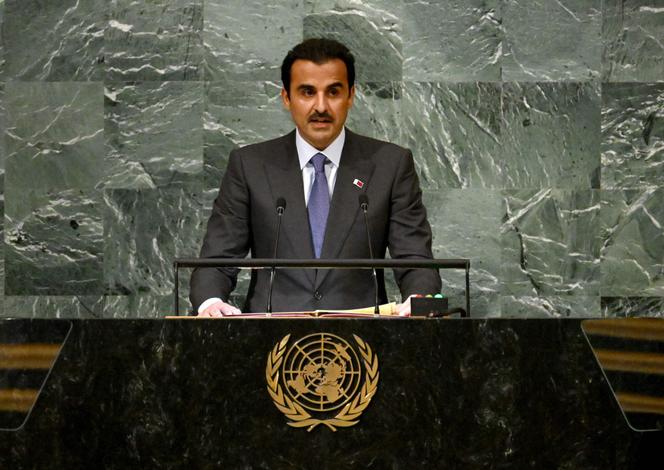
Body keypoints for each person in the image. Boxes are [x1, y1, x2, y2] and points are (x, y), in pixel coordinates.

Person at [190, 38, 441, 316]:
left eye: (333, 92)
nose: (320, 107)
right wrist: (210, 303)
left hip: (365, 338)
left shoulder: (389, 165)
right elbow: (217, 259)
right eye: (307, 92)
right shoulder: (250, 165)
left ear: (351, 95)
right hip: (268, 338)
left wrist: (419, 299)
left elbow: (415, 258)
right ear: (286, 97)